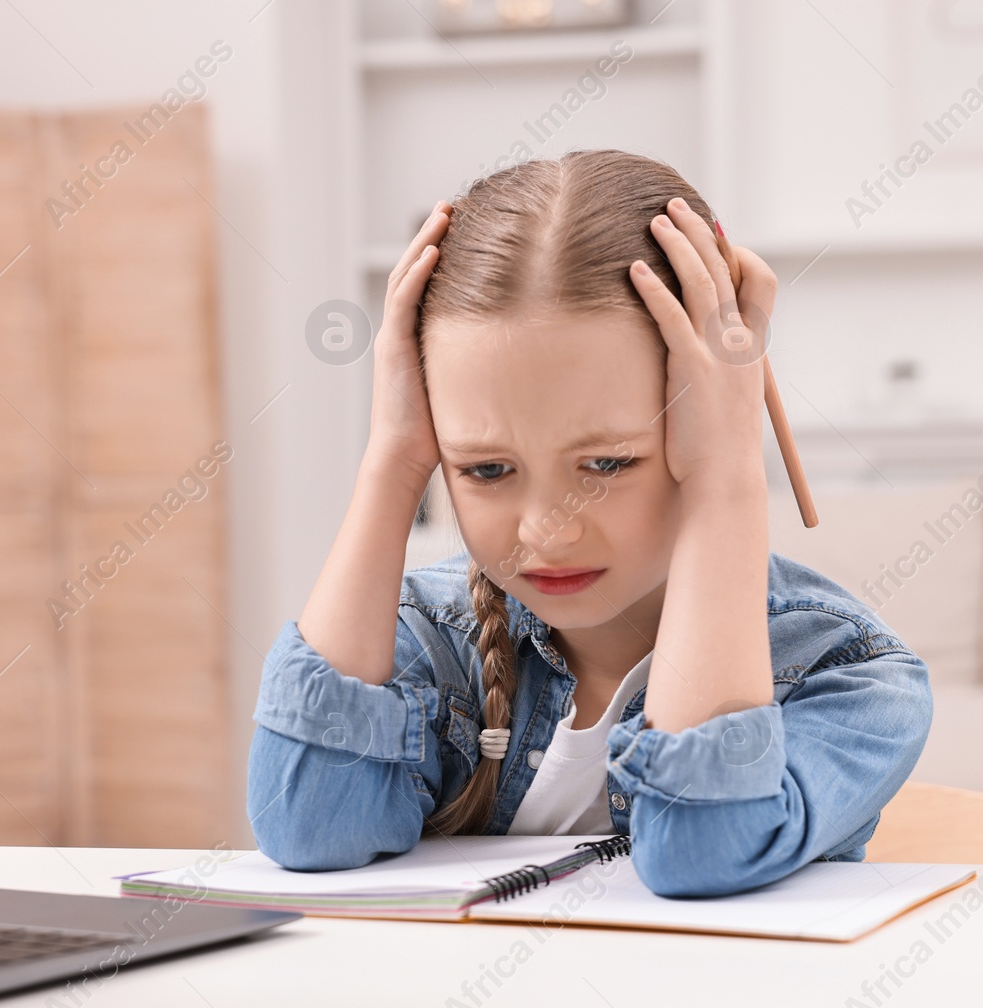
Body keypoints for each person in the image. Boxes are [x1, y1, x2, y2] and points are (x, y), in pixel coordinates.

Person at [247, 148, 932, 897]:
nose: (546, 530)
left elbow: (701, 847)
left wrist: (728, 479)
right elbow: (310, 825)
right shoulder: (432, 637)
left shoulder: (849, 674)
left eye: (606, 464)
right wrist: (390, 459)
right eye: (485, 469)